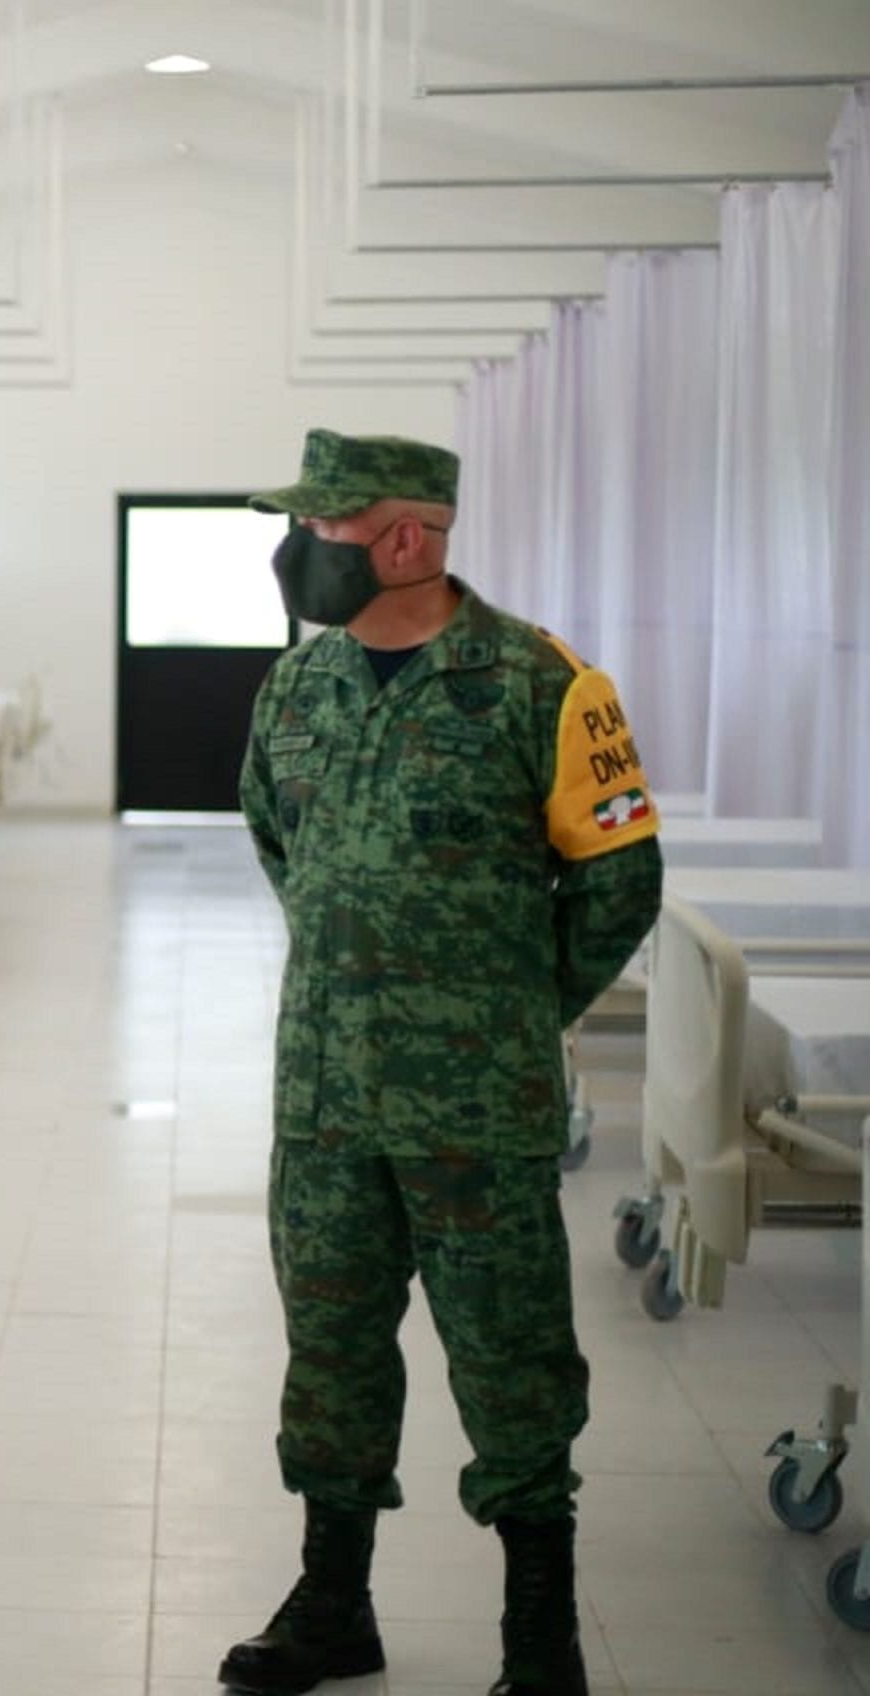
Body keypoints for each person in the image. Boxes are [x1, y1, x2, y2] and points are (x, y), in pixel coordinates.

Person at [223, 430, 662, 1696]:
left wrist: (506, 1009)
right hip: (324, 1102)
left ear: (404, 537)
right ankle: (332, 1606)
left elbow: (619, 880)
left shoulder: (543, 685)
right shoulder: (295, 688)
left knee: (512, 1357)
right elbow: (278, 842)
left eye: (323, 527)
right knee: (331, 1349)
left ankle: (540, 1640)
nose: (300, 550)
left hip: (478, 1107)